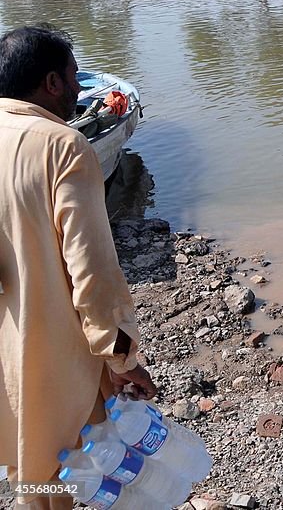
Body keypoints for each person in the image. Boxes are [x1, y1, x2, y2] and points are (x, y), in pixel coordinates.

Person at [0, 26, 158, 510]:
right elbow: (92, 273)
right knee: (67, 470)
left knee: (27, 468)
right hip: (53, 349)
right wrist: (123, 359)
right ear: (52, 83)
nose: (76, 89)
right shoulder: (63, 146)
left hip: (6, 341)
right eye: (72, 77)